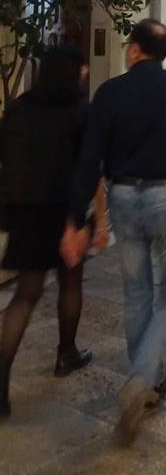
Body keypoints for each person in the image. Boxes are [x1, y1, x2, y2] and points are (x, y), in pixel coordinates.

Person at [61, 19, 166, 445]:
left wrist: (77, 221)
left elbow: (90, 160)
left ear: (134, 50)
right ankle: (143, 375)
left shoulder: (110, 92)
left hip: (123, 197)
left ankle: (150, 377)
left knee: (136, 293)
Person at [0, 47, 107, 421]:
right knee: (71, 283)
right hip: (66, 213)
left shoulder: (17, 109)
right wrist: (88, 221)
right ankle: (66, 353)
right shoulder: (80, 112)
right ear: (73, 73)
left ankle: (1, 382)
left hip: (27, 213)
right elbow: (89, 169)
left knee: (25, 294)